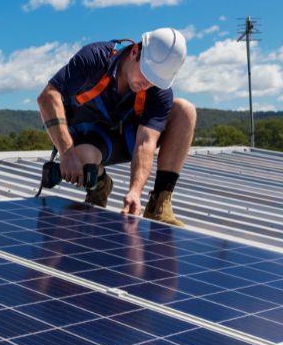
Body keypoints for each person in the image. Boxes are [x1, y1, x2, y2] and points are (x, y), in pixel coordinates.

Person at [36, 28, 196, 226]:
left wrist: (135, 191)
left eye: (154, 81)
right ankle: (100, 184)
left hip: (126, 138)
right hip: (87, 136)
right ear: (134, 52)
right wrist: (66, 153)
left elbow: (146, 142)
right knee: (85, 160)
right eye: (145, 75)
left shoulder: (158, 91)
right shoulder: (95, 58)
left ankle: (159, 204)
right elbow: (48, 97)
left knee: (184, 111)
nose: (146, 84)